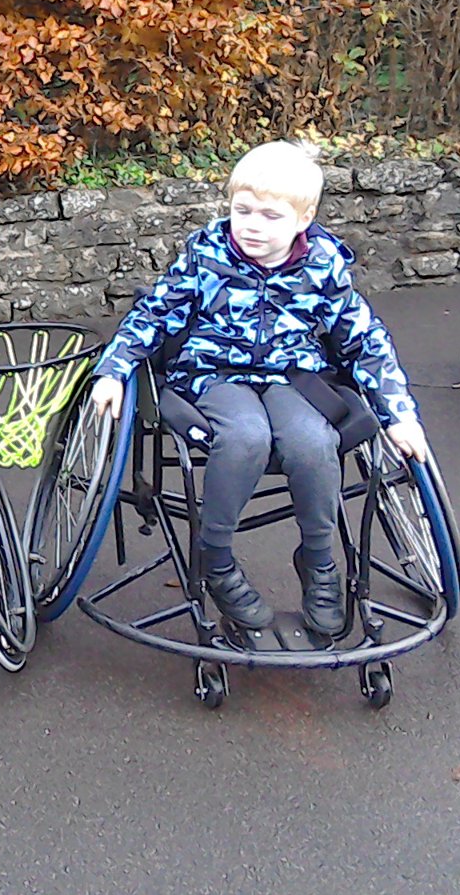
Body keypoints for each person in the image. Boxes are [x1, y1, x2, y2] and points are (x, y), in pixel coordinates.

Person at [88, 141, 430, 637]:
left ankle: (318, 562)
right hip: (214, 373)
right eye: (241, 210)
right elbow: (155, 313)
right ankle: (217, 559)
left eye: (270, 216)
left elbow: (364, 338)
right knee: (246, 437)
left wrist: (399, 414)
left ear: (303, 217)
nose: (250, 224)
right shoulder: (206, 255)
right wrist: (114, 369)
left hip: (294, 375)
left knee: (314, 441)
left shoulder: (323, 264)